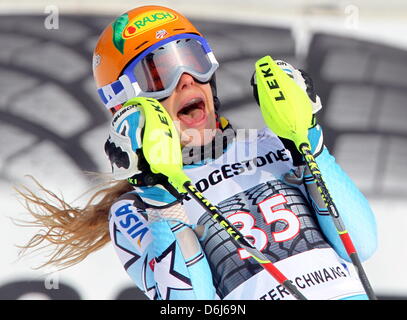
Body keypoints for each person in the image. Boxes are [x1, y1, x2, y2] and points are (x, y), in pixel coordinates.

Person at [18, 5, 377, 300]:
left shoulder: (276, 143)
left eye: (192, 59)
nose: (186, 79)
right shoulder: (133, 211)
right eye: (159, 75)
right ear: (127, 104)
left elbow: (361, 245)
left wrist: (310, 143)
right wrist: (160, 199)